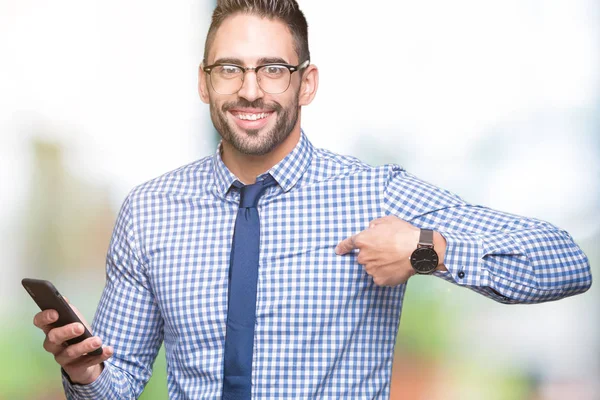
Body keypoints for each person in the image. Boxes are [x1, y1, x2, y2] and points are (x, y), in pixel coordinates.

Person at [33, 0, 592, 399]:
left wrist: (427, 249)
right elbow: (118, 384)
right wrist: (85, 374)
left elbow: (565, 263)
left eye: (273, 69)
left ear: (307, 83)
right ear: (204, 82)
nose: (250, 89)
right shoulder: (149, 211)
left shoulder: (375, 193)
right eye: (230, 68)